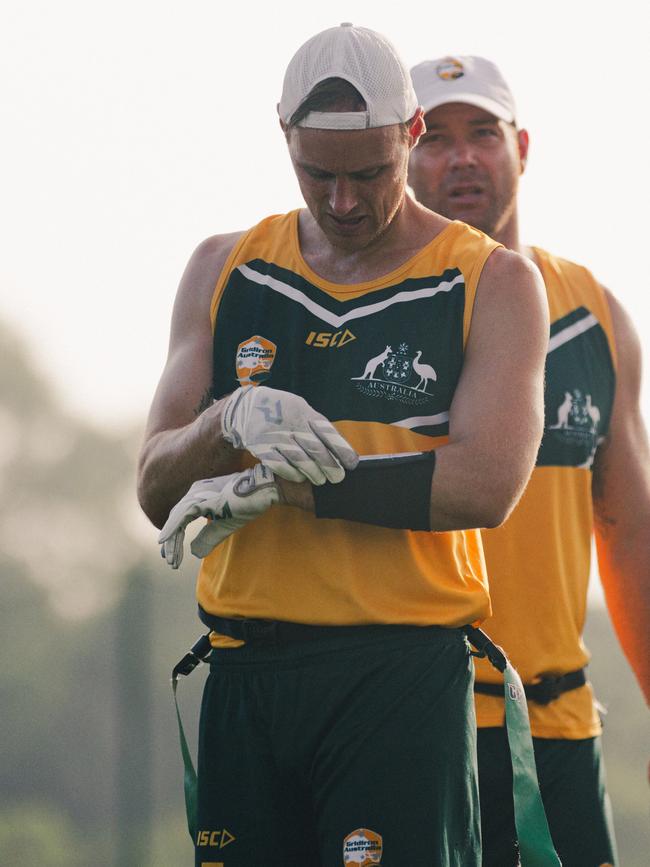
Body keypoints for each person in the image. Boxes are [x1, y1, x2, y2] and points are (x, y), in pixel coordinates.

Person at [137, 26, 549, 867]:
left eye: (370, 173)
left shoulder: (492, 279)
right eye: (318, 174)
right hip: (245, 674)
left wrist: (292, 487)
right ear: (283, 135)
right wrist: (224, 426)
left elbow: (483, 485)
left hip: (396, 678)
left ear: (412, 134)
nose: (345, 201)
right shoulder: (225, 266)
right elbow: (153, 482)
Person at [409, 54, 650, 867]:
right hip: (415, 723)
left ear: (523, 147)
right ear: (402, 154)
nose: (462, 156)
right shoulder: (378, 306)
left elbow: (630, 535)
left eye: (483, 132)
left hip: (557, 730)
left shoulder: (594, 312)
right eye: (435, 137)